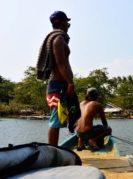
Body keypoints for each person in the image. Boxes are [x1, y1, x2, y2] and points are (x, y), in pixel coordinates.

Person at [39, 11, 81, 145]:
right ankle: (52, 151)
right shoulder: (59, 39)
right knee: (55, 120)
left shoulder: (59, 38)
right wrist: (70, 83)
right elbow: (60, 63)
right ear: (63, 23)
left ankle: (55, 149)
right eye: (67, 23)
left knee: (70, 115)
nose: (68, 26)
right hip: (58, 84)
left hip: (60, 83)